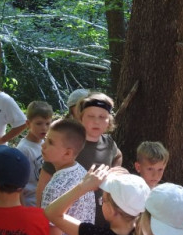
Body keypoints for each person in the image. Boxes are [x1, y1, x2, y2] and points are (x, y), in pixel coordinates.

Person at [37, 92, 122, 225]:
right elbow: (43, 184)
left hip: (102, 218)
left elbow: (118, 155)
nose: (96, 121)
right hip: (68, 218)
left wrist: (115, 171)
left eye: (102, 117)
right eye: (91, 116)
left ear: (109, 121)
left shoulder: (109, 143)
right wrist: (40, 216)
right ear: (81, 117)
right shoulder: (70, 145)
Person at [16, 101, 52, 207]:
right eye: (39, 123)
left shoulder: (44, 143)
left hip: (45, 202)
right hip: (30, 203)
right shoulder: (23, 149)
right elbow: (18, 184)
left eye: (47, 123)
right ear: (28, 124)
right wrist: (23, 209)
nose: (44, 128)